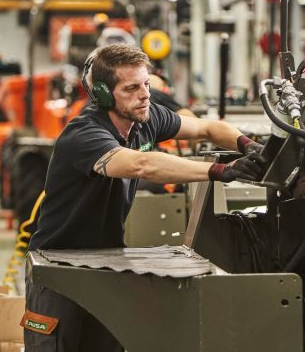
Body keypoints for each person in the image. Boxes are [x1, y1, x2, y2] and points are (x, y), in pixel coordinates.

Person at [22, 43, 264, 352]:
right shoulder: (84, 134)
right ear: (103, 94)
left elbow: (207, 127)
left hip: (106, 264)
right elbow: (142, 164)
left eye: (146, 84)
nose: (145, 94)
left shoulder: (146, 120)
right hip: (56, 267)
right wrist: (221, 170)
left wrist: (249, 145)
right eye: (132, 88)